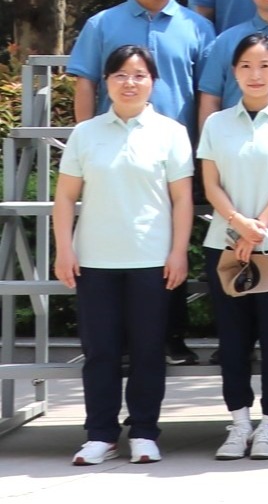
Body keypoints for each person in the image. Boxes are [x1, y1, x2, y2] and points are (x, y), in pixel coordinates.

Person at [57, 45, 196, 466]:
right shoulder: (86, 133)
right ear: (106, 82)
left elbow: (182, 199)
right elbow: (65, 197)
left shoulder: (171, 132)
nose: (129, 83)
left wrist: (178, 252)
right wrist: (64, 249)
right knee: (100, 352)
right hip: (95, 259)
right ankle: (100, 434)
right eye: (120, 75)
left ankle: (144, 432)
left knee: (148, 351)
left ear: (153, 81)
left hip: (152, 259)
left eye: (139, 75)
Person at [196, 32, 268, 460]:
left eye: (265, 65)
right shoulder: (216, 124)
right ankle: (239, 423)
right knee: (233, 340)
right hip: (225, 244)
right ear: (234, 72)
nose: (255, 74)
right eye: (246, 66)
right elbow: (210, 184)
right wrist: (239, 226)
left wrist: (257, 228)